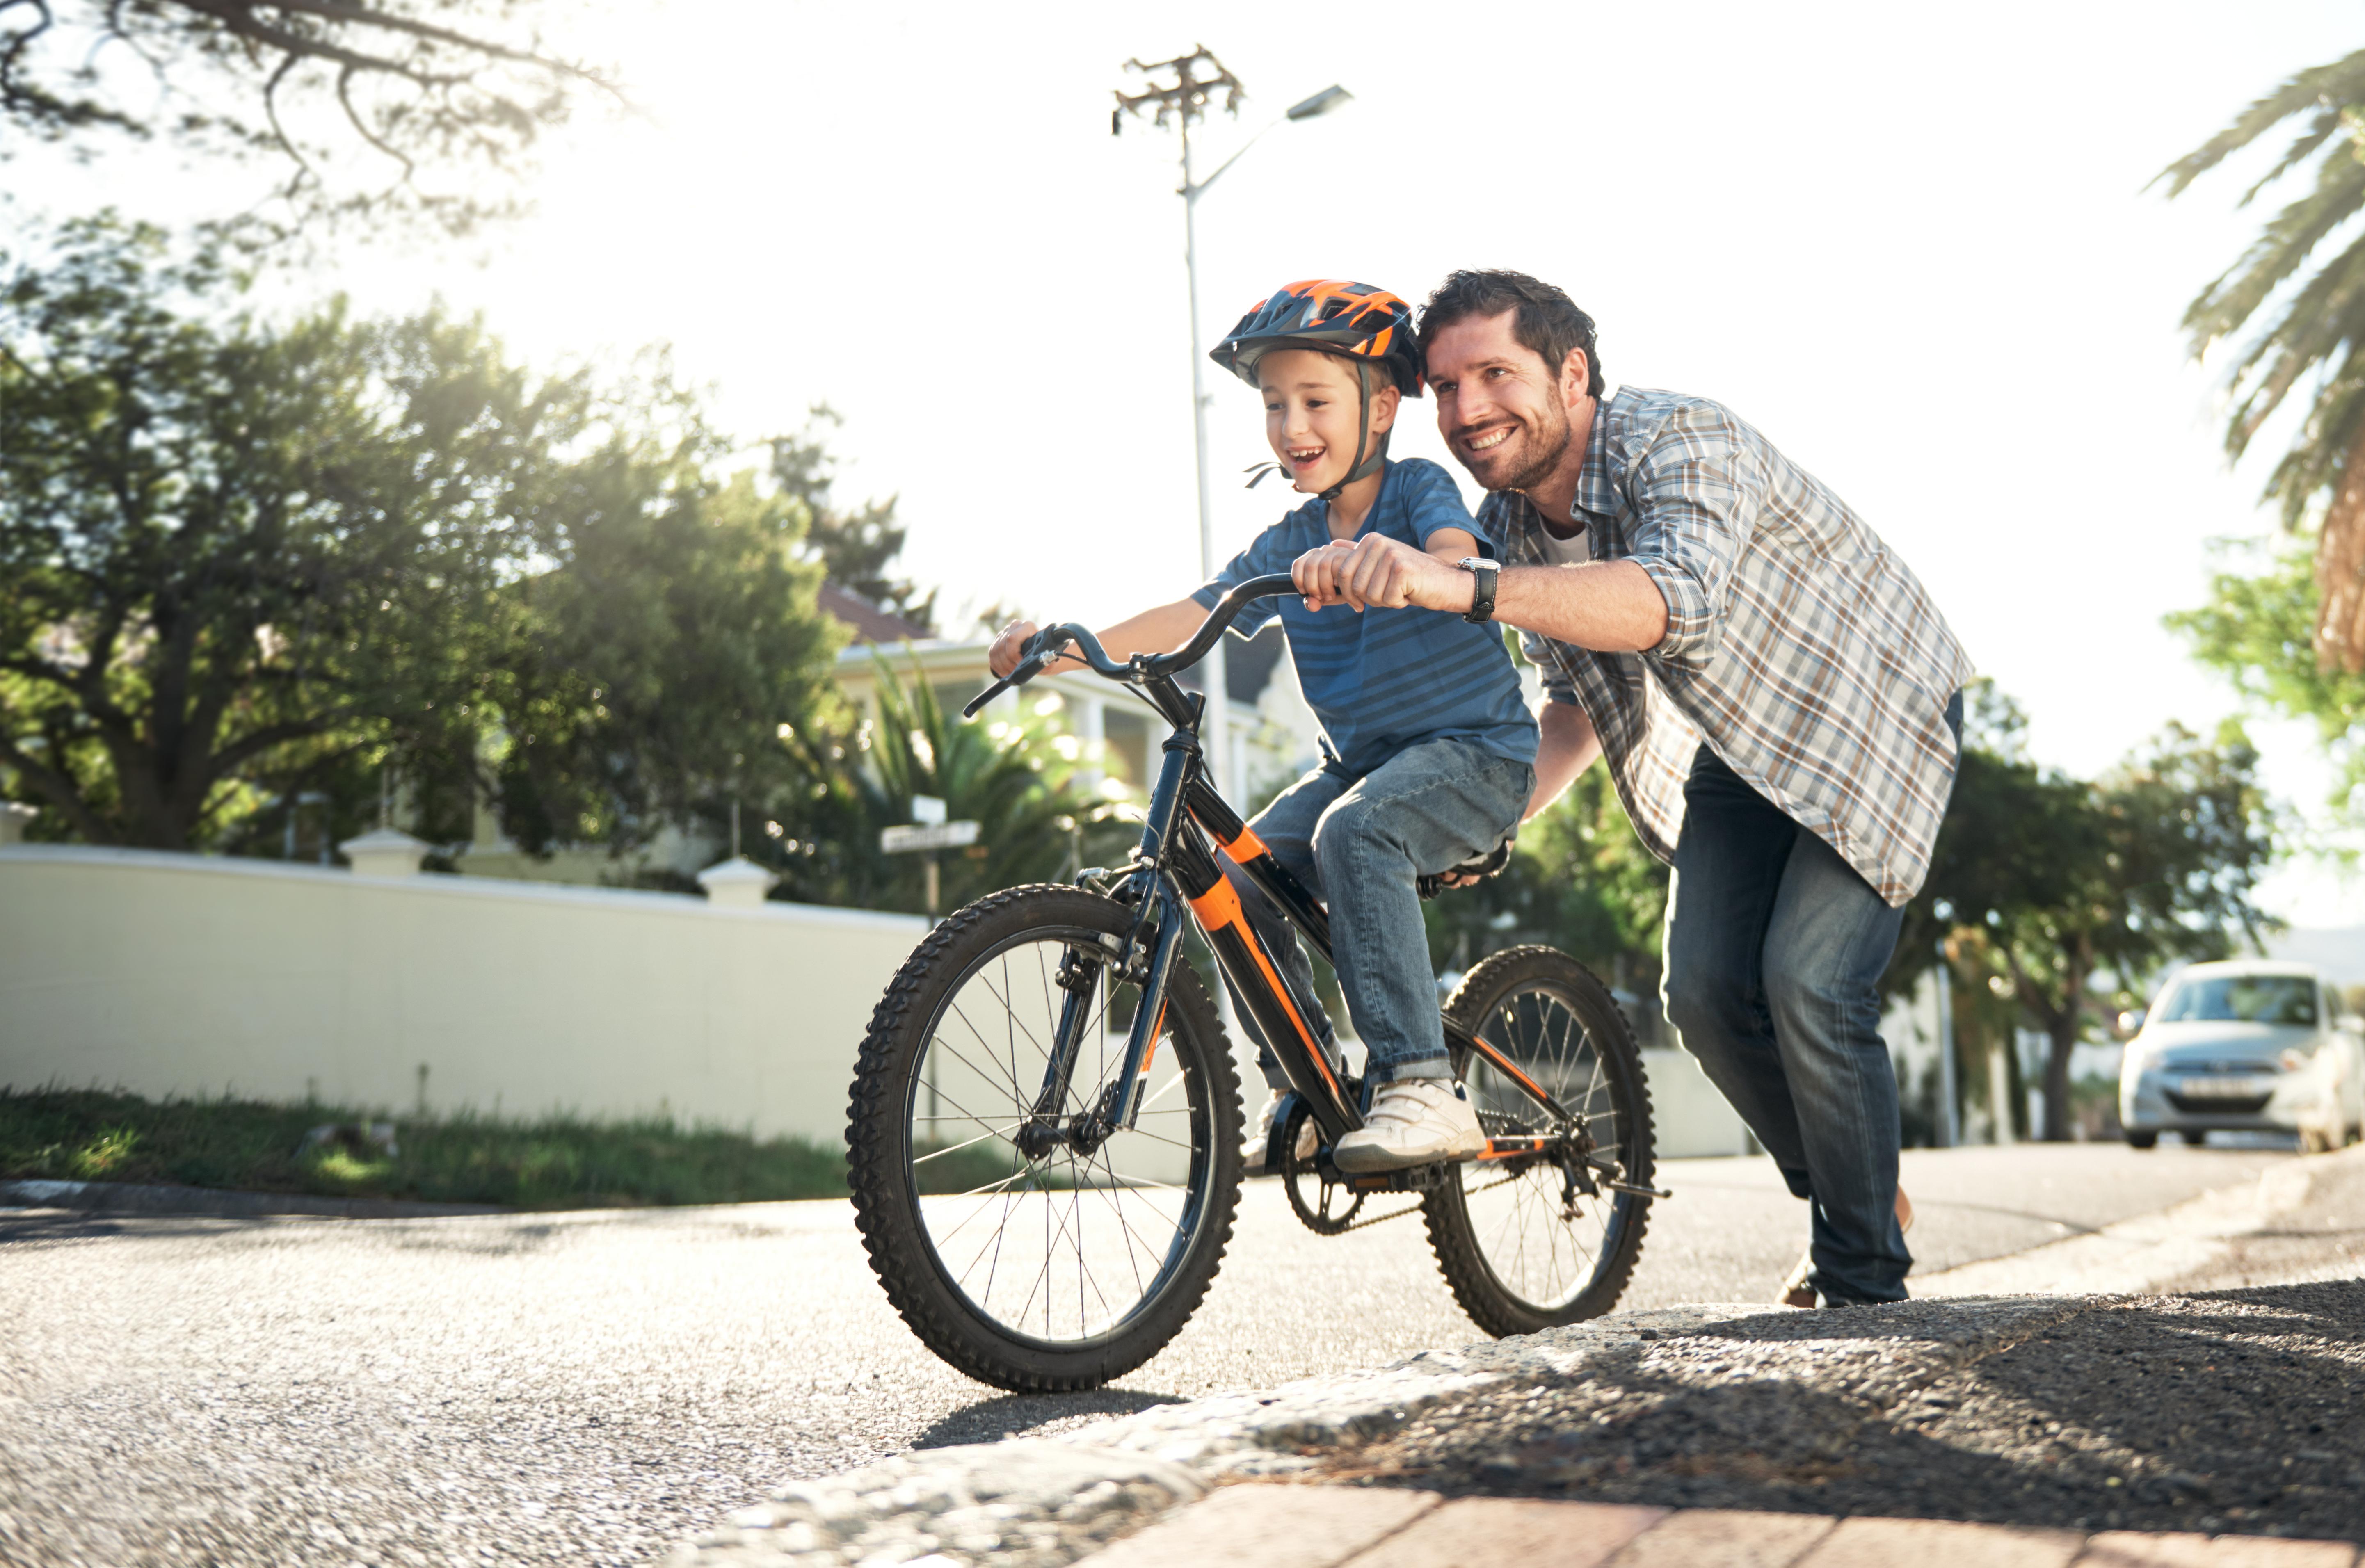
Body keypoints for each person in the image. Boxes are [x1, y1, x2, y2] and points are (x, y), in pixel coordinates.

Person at [1292, 269, 1970, 1306]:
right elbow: (1568, 705)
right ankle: (1860, 1194)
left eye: (1495, 374)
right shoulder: (1512, 522)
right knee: (1699, 993)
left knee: (1808, 982)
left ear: (1572, 372)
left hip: (1869, 713)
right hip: (1744, 745)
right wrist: (1481, 819)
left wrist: (1456, 584)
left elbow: (1671, 603)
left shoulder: (1679, 437)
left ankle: (1864, 1277)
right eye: (1445, 384)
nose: (1468, 409)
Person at [987, 279, 1538, 1173]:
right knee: (1238, 880)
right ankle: (1311, 1087)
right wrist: (1066, 649)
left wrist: (1402, 564)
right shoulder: (1289, 541)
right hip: (1363, 764)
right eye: (1275, 405)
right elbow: (1198, 609)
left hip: (1476, 755)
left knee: (1355, 831)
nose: (1290, 426)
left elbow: (1455, 556)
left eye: (1315, 400)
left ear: (1383, 405)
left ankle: (1422, 1083)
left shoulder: (1416, 489)